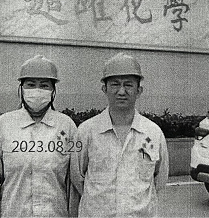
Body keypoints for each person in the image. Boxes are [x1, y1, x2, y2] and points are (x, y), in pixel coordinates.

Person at [0, 55, 78, 217]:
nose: (37, 90)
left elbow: (74, 185)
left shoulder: (67, 127)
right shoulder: (2, 126)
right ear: (21, 88)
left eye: (44, 85)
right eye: (31, 85)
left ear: (53, 90)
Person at [71, 53, 169, 217]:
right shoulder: (86, 131)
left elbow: (159, 180)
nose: (121, 91)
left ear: (139, 90)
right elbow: (77, 177)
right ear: (104, 89)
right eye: (115, 84)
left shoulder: (153, 133)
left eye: (128, 85)